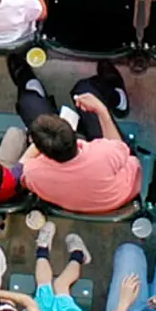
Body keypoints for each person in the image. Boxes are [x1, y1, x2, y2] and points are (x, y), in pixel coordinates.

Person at [11, 52, 140, 214]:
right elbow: (121, 149)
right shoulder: (103, 154)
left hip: (104, 185)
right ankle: (117, 99)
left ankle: (31, 85)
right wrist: (102, 111)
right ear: (75, 134)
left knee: (28, 103)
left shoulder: (33, 173)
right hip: (118, 171)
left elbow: (19, 170)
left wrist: (36, 146)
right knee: (84, 89)